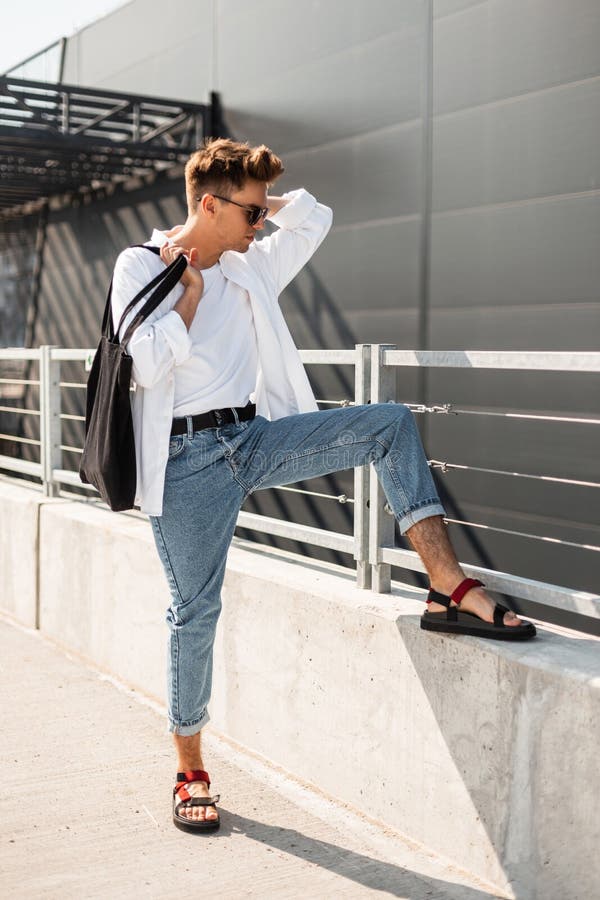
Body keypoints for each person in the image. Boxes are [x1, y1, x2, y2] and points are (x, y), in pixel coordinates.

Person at [111, 137, 535, 833]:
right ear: (209, 205)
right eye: (249, 215)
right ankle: (190, 766)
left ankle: (447, 587)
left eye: (260, 217)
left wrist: (261, 201)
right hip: (185, 464)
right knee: (195, 613)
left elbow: (314, 219)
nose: (261, 228)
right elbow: (150, 365)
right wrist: (187, 293)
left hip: (252, 440)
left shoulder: (252, 264)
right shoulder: (141, 265)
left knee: (389, 423)